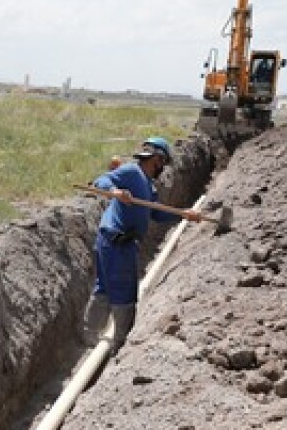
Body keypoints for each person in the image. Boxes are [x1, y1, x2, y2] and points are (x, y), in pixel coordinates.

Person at [81, 136, 202, 351]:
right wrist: (115, 191)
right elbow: (103, 180)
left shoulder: (147, 185)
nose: (162, 168)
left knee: (106, 288)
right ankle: (118, 345)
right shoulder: (131, 172)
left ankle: (90, 334)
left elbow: (156, 213)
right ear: (156, 158)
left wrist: (184, 215)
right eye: (162, 163)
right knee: (124, 293)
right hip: (117, 241)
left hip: (114, 241)